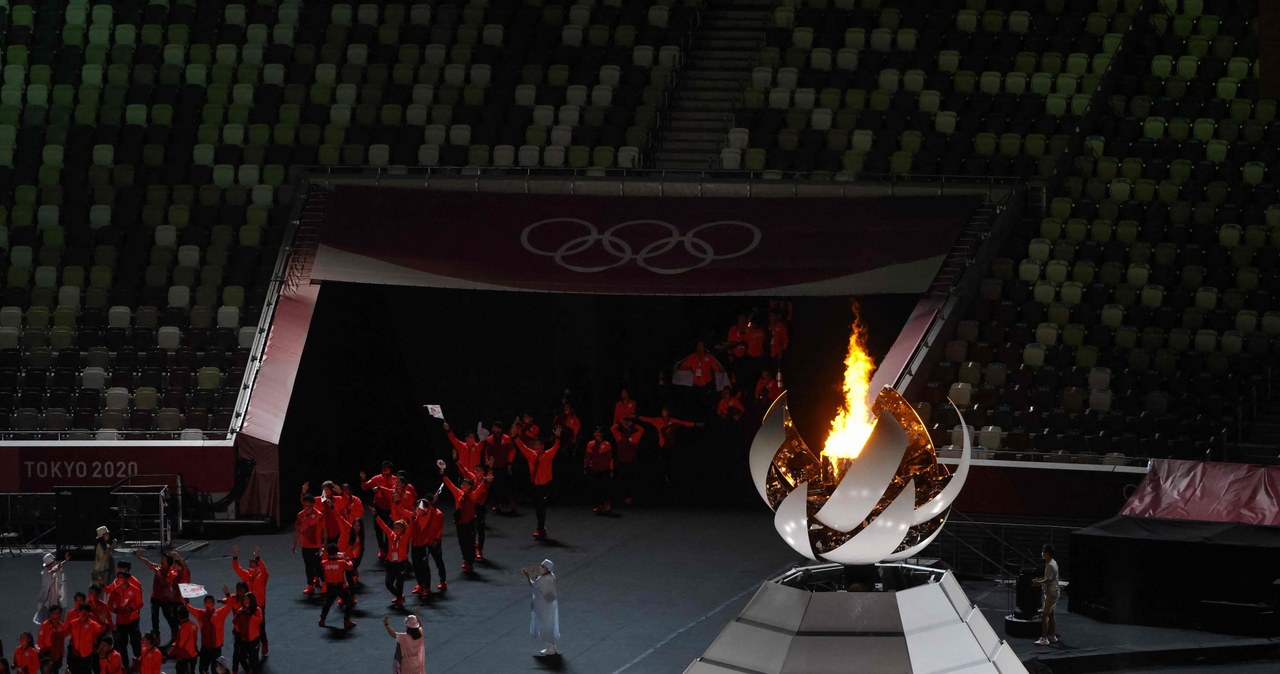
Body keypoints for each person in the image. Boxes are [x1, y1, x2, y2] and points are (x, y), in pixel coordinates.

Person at [439, 461, 492, 574]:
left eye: (465, 485)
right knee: (462, 542)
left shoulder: (473, 495)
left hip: (469, 523)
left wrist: (485, 481)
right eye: (462, 484)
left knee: (470, 543)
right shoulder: (458, 493)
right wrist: (443, 474)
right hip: (460, 523)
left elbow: (480, 489)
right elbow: (449, 484)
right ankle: (466, 560)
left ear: (470, 486)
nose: (463, 486)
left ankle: (470, 562)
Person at [133, 548, 182, 647]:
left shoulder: (171, 573)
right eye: (161, 560)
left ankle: (176, 635)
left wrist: (159, 574)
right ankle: (157, 637)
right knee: (154, 619)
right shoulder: (158, 567)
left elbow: (164, 584)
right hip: (155, 598)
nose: (161, 561)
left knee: (169, 617)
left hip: (165, 599)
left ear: (168, 563)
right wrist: (138, 556)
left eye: (163, 560)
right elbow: (148, 563)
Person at [517, 434, 560, 539]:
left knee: (541, 506)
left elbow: (556, 447)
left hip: (546, 485)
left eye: (540, 445)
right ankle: (541, 527)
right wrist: (515, 437)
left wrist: (558, 437)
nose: (538, 447)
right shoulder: (530, 454)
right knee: (538, 507)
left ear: (543, 446)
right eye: (536, 445)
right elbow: (521, 446)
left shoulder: (548, 454)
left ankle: (540, 528)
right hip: (535, 486)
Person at [230, 546, 269, 655]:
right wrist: (235, 557)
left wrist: (258, 557)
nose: (250, 566)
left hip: (259, 606)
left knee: (261, 627)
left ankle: (264, 643)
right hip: (247, 606)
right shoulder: (247, 576)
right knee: (247, 627)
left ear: (257, 565)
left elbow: (265, 570)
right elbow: (237, 569)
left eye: (252, 564)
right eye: (249, 565)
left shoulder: (262, 576)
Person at [105, 560, 144, 665]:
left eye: (121, 568)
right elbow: (109, 592)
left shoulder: (136, 585)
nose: (119, 571)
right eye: (119, 568)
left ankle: (137, 659)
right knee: (121, 643)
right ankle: (125, 665)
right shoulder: (116, 582)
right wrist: (116, 610)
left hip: (133, 618)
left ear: (127, 570)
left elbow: (139, 602)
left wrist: (132, 610)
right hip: (120, 620)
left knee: (135, 641)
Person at [409, 496, 446, 596]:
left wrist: (436, 540)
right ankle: (421, 586)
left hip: (433, 542)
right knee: (419, 565)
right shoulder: (419, 513)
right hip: (421, 543)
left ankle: (442, 581)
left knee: (438, 561)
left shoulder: (437, 514)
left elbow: (440, 529)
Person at [186, 594, 232, 674]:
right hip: (205, 648)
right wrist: (185, 600)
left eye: (210, 602)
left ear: (213, 603)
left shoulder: (220, 613)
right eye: (206, 602)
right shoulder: (200, 614)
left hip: (216, 648)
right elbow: (190, 608)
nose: (208, 604)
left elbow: (230, 604)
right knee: (202, 669)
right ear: (204, 603)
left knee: (216, 671)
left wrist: (228, 595)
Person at [361, 461, 398, 557]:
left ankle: (387, 548)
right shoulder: (376, 478)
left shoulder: (395, 479)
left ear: (390, 469)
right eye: (383, 467)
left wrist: (380, 488)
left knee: (389, 529)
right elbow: (365, 487)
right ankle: (381, 549)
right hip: (378, 507)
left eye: (387, 467)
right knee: (378, 529)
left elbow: (393, 491)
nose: (385, 469)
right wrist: (363, 479)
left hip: (390, 508)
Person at [524, 559, 560, 657]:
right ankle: (552, 646)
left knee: (545, 626)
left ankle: (550, 648)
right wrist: (534, 573)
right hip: (549, 603)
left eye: (542, 566)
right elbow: (538, 581)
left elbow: (534, 584)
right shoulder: (551, 576)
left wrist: (528, 576)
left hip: (543, 605)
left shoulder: (543, 579)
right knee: (549, 624)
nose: (540, 567)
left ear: (547, 569)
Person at [292, 494, 326, 595]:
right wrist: (294, 545)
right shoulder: (300, 515)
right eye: (305, 505)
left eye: (309, 506)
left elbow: (324, 531)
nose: (307, 508)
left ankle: (325, 584)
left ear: (313, 505)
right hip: (305, 545)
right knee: (308, 566)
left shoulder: (319, 516)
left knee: (318, 566)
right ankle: (310, 586)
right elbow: (297, 531)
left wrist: (324, 544)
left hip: (317, 546)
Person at [375, 516, 412, 607]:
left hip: (401, 564)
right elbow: (383, 526)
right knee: (388, 583)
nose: (395, 529)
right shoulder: (391, 535)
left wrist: (414, 518)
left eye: (398, 528)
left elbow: (411, 527)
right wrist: (376, 516)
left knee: (399, 584)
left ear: (403, 528)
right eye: (394, 527)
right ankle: (399, 596)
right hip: (390, 563)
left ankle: (399, 598)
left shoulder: (405, 537)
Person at [318, 544, 356, 630]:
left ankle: (322, 619)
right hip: (340, 587)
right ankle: (346, 621)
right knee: (349, 603)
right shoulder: (342, 562)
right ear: (336, 552)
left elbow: (321, 576)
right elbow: (350, 567)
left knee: (327, 604)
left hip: (330, 586)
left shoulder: (323, 563)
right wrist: (346, 558)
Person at [482, 422, 516, 517]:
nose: (494, 429)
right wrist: (487, 461)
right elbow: (487, 452)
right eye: (493, 427)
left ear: (500, 429)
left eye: (496, 427)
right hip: (494, 466)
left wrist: (510, 462)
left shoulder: (507, 438)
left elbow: (512, 450)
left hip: (505, 465)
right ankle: (497, 505)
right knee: (495, 486)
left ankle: (513, 505)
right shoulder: (489, 439)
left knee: (509, 486)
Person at [1032, 544, 1062, 646]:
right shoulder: (1053, 562)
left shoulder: (1049, 565)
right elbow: (1050, 578)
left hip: (1051, 594)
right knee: (1051, 614)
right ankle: (1052, 636)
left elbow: (1048, 580)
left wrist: (1037, 582)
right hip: (1055, 592)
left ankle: (1044, 638)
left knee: (1044, 615)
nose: (1042, 553)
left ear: (1047, 553)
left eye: (1043, 551)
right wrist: (1041, 579)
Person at [611, 417, 645, 506]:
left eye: (629, 430)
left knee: (630, 481)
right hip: (621, 462)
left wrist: (631, 424)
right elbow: (612, 428)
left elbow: (641, 429)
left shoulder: (634, 437)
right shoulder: (619, 436)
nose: (627, 430)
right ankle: (620, 498)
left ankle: (629, 499)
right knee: (620, 480)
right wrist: (622, 423)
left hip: (631, 462)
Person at [583, 428, 615, 515]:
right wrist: (585, 467)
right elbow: (587, 456)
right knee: (595, 488)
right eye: (595, 432)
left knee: (605, 488)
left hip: (604, 470)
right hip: (594, 469)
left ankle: (607, 505)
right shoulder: (590, 444)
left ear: (602, 434)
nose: (597, 434)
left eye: (599, 433)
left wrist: (611, 469)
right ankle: (598, 506)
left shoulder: (607, 444)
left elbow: (610, 458)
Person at [231, 592, 263, 674]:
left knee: (254, 661)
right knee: (241, 657)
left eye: (248, 599)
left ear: (252, 600)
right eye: (245, 599)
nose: (246, 601)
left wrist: (248, 614)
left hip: (254, 640)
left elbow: (258, 621)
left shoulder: (257, 610)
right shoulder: (241, 610)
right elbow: (234, 621)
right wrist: (240, 614)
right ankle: (248, 671)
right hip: (243, 639)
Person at [33, 552, 67, 624]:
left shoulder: (53, 570)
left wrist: (64, 561)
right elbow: (54, 570)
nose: (55, 563)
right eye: (53, 563)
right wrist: (64, 562)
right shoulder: (45, 573)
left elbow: (56, 568)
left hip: (55, 597)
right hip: (48, 599)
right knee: (48, 618)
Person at [168, 605, 199, 674]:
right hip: (193, 656)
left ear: (179, 616)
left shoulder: (183, 628)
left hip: (185, 658)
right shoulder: (194, 625)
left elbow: (180, 645)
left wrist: (169, 654)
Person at [35, 604, 66, 672]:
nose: (55, 615)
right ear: (50, 614)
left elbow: (62, 643)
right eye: (54, 613)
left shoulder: (62, 626)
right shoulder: (44, 625)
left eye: (57, 613)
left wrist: (60, 656)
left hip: (57, 657)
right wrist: (46, 654)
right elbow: (40, 641)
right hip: (45, 656)